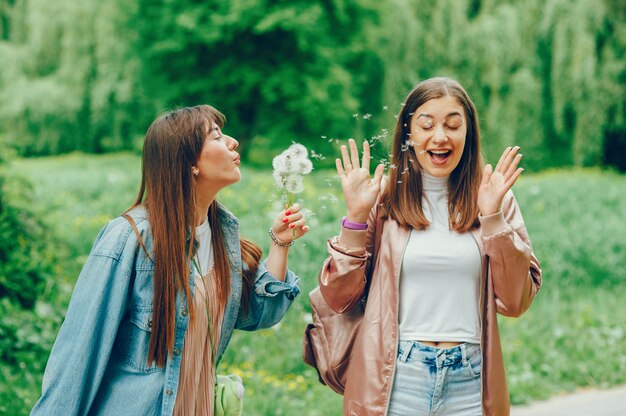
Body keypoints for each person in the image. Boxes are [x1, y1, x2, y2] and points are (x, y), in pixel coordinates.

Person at [31, 105, 309, 415]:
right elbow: (78, 357)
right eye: (216, 137)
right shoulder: (129, 239)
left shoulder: (222, 240)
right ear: (189, 162)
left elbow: (263, 313)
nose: (233, 142)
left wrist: (280, 244)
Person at [319, 77, 542, 415]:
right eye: (426, 125)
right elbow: (339, 298)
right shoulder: (383, 201)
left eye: (453, 125)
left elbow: (515, 301)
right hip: (396, 378)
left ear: (468, 135)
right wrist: (355, 218)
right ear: (409, 134)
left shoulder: (494, 198)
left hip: (470, 380)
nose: (440, 136)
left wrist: (494, 218)